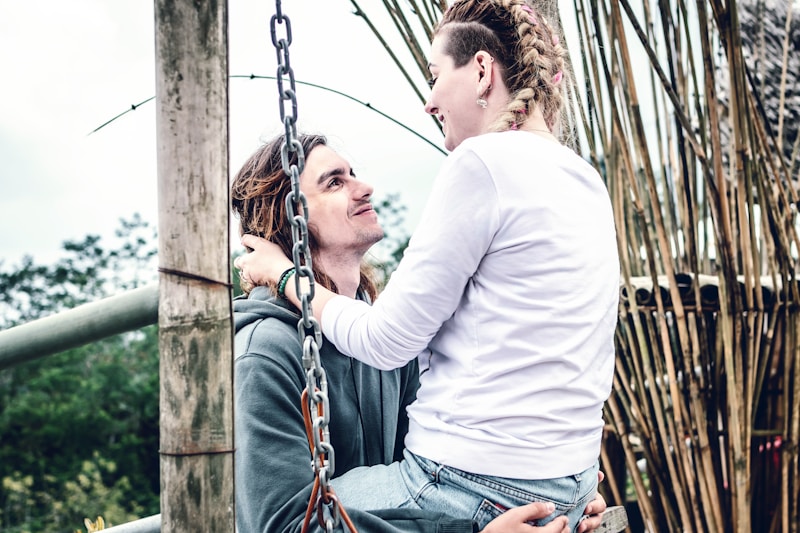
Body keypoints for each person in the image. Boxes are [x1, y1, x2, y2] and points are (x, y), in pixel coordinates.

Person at [235, 0, 621, 531]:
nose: (429, 100)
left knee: (328, 506)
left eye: (436, 75)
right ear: (290, 220)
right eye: (334, 181)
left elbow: (385, 340)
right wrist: (559, 491)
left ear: (482, 71)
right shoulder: (584, 179)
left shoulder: (481, 162)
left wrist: (285, 275)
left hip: (477, 484)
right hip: (565, 478)